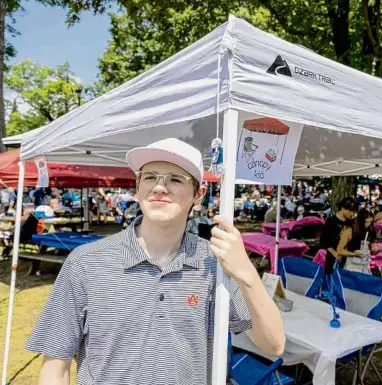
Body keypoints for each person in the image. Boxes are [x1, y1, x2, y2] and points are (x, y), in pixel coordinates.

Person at [26, 138, 285, 385]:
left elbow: (273, 344)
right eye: (149, 177)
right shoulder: (85, 263)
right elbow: (56, 367)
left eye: (175, 179)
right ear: (138, 188)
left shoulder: (214, 263)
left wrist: (246, 273)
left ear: (199, 194)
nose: (159, 187)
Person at [320, 197, 361, 275]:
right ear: (343, 208)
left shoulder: (350, 223)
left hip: (346, 260)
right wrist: (334, 252)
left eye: (353, 211)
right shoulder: (331, 222)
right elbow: (323, 240)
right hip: (332, 259)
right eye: (350, 211)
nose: (352, 214)